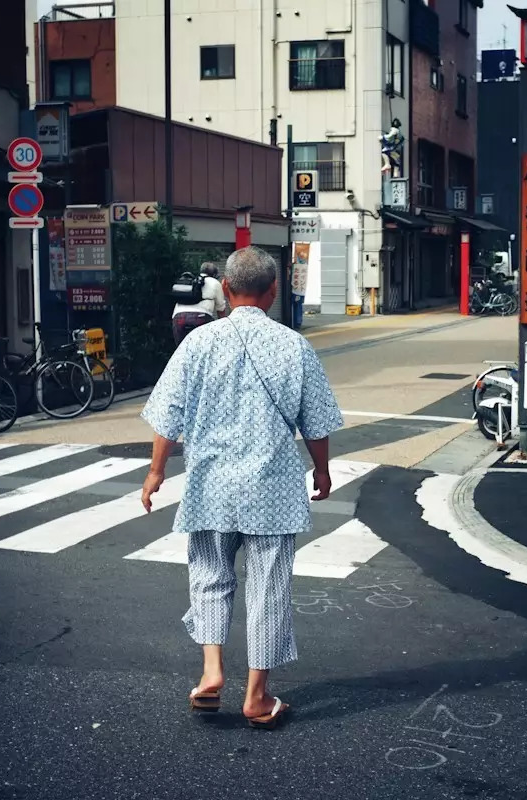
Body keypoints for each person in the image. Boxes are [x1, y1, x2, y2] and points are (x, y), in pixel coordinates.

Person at [140, 246, 343, 730]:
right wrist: (321, 470)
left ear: (226, 290)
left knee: (209, 575)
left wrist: (155, 472)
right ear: (272, 292)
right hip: (271, 489)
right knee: (269, 588)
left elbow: (168, 415)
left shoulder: (198, 343)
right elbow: (316, 422)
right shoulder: (294, 346)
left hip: (210, 484)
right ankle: (256, 696)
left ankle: (212, 671)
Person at [172, 262, 228, 345]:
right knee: (205, 347)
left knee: (180, 348)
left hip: (179, 318)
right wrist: (224, 328)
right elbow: (221, 310)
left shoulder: (192, 280)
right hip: (201, 318)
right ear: (214, 274)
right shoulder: (215, 283)